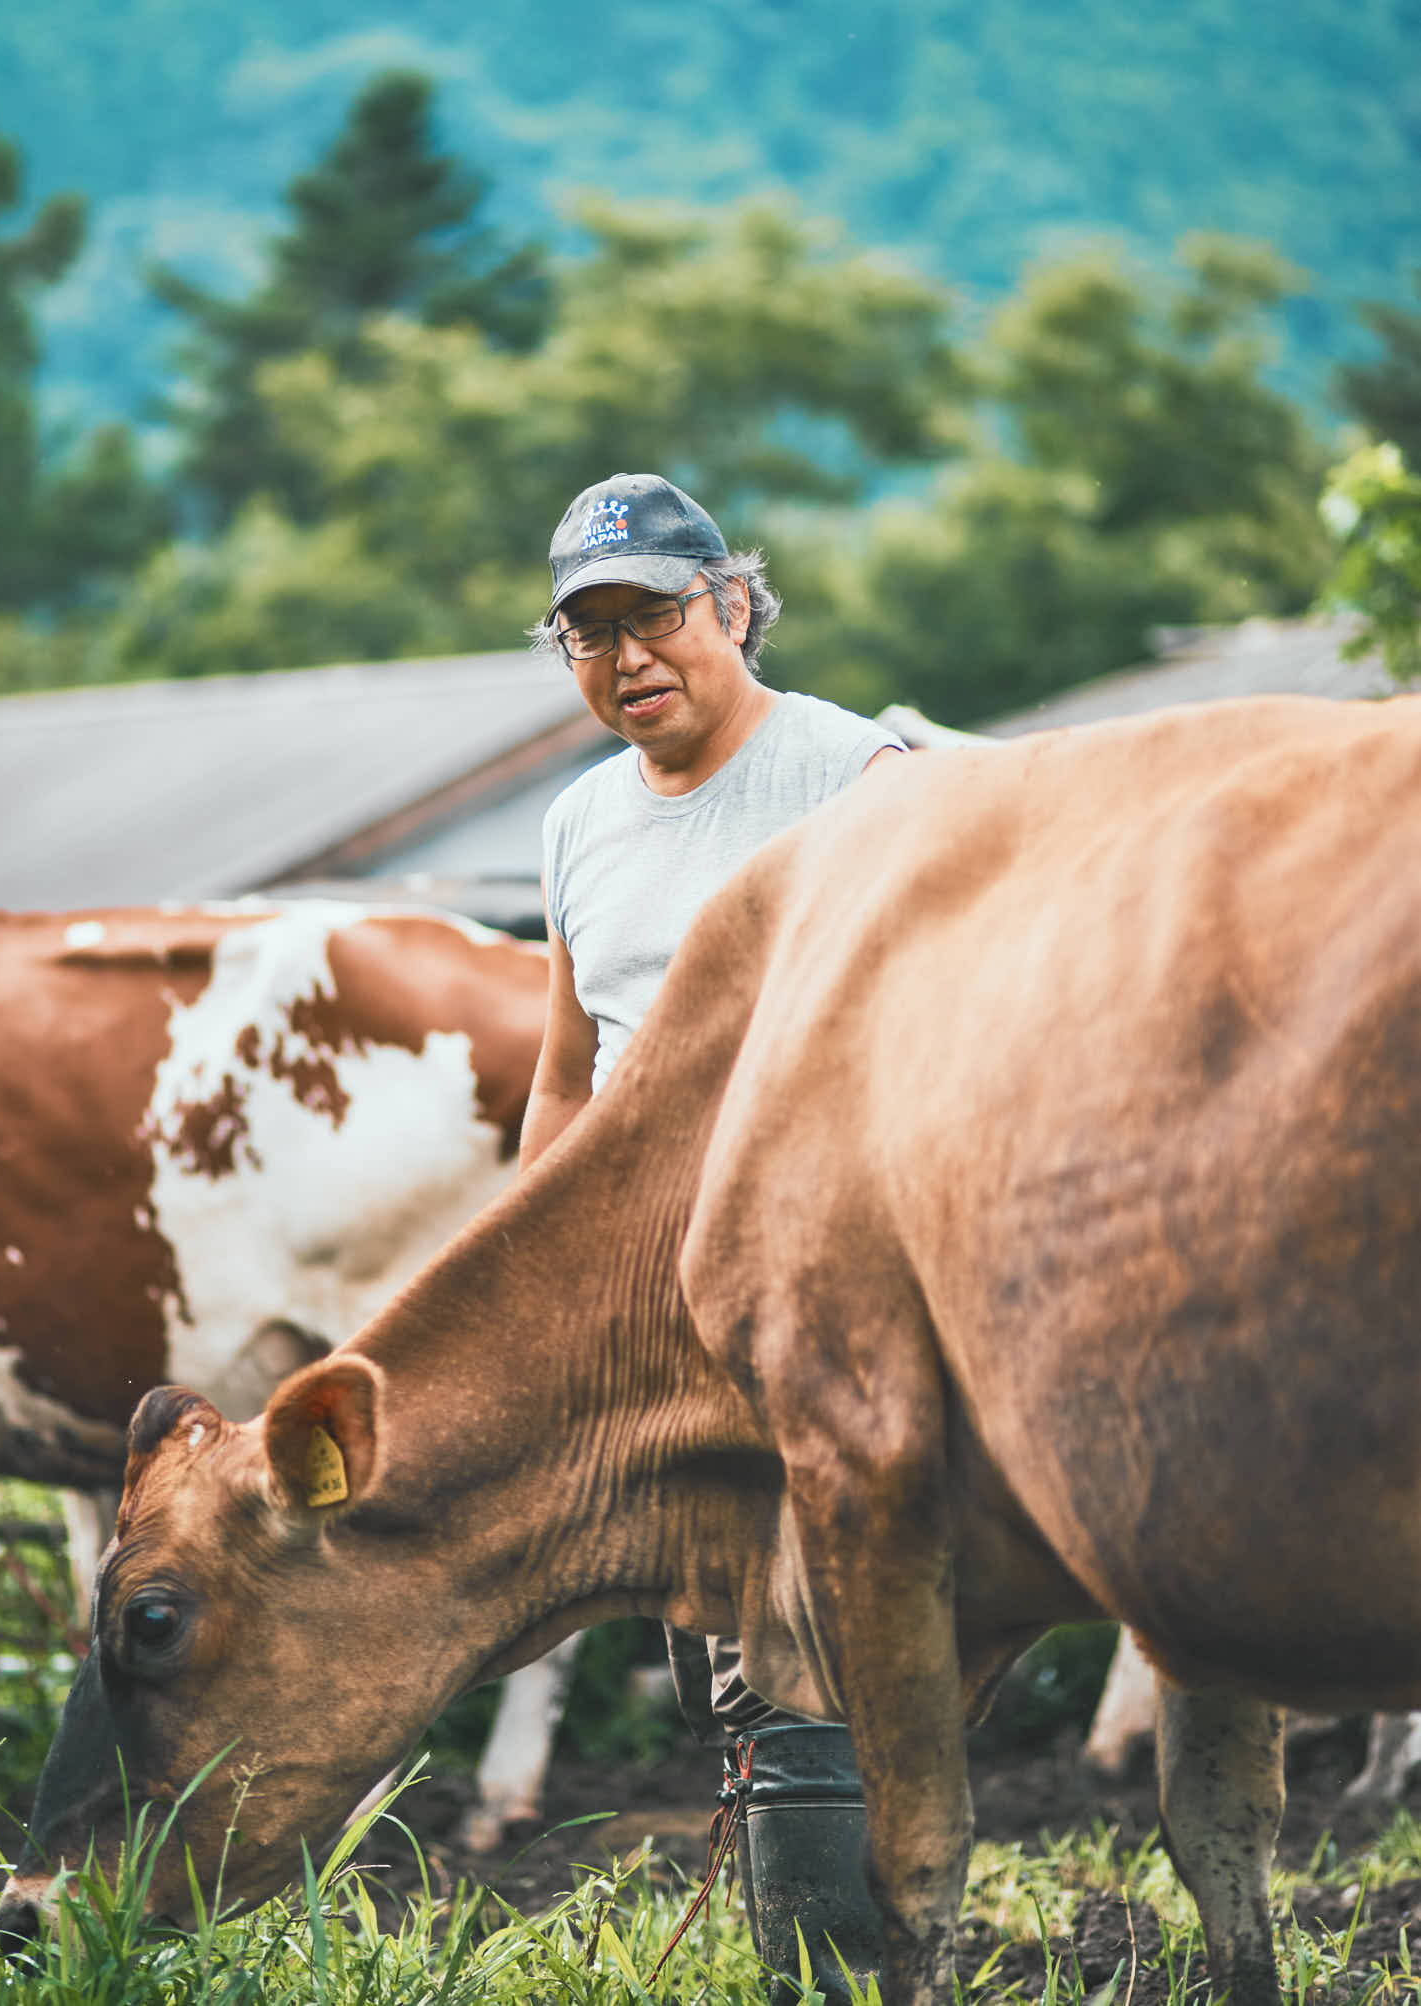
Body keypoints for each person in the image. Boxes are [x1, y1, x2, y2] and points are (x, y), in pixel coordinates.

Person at [523, 470, 905, 2002]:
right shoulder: (574, 823)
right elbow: (567, 1074)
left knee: (796, 1630)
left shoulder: (849, 773)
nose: (626, 657)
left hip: (822, 1266)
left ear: (732, 605)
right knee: (721, 1635)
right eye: (586, 630)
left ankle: (836, 1959)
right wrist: (533, 1279)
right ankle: (844, 1913)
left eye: (654, 615)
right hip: (647, 1296)